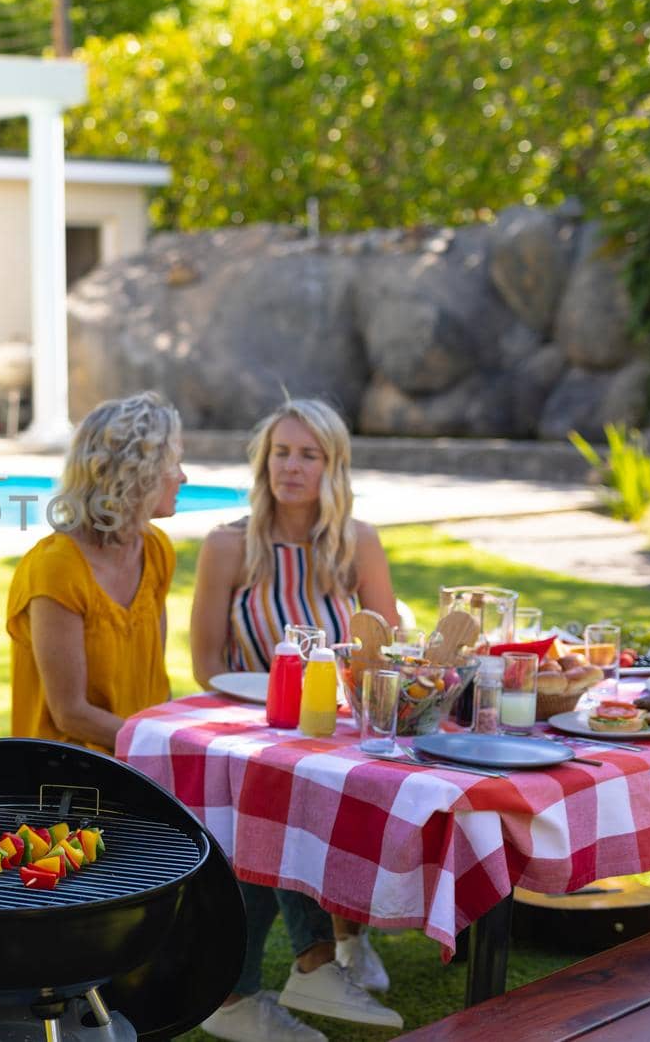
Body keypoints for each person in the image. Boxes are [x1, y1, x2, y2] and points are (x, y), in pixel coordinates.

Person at [190, 398, 402, 1042]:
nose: (291, 466)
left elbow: (384, 648)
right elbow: (205, 664)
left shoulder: (356, 542)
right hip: (250, 727)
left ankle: (341, 939)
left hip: (339, 727)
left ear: (332, 466)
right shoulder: (229, 543)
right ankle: (307, 963)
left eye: (308, 454)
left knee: (338, 797)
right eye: (281, 452)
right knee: (274, 801)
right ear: (263, 461)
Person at [7, 391, 186, 753]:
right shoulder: (57, 568)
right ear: (139, 477)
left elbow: (154, 684)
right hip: (64, 783)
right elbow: (70, 714)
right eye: (173, 464)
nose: (182, 477)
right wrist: (165, 748)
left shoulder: (155, 550)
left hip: (136, 766)